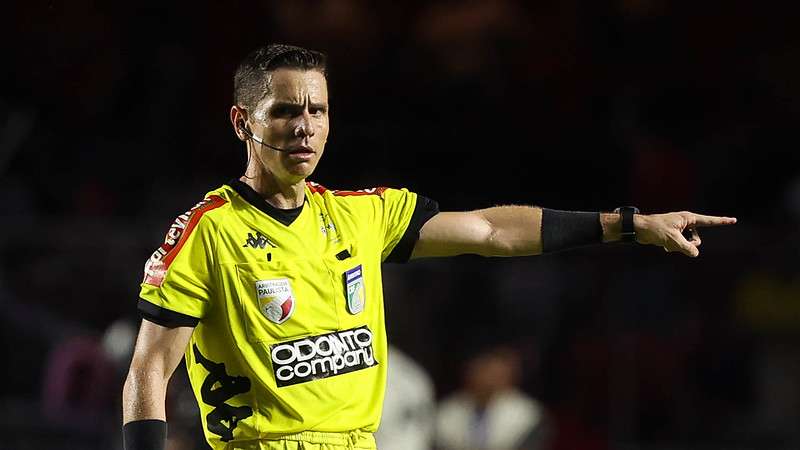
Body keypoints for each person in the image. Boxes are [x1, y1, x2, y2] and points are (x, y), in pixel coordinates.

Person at [121, 43, 736, 450]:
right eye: (285, 111)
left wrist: (630, 224)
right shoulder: (208, 231)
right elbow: (149, 368)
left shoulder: (363, 215)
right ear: (243, 122)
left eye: (319, 110)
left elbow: (493, 231)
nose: (305, 127)